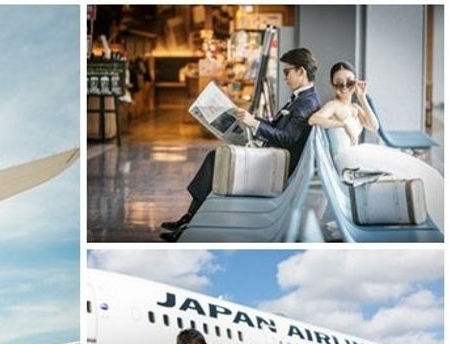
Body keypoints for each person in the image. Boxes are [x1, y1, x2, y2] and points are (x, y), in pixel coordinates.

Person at [161, 48, 322, 241]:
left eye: (287, 72)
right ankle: (189, 219)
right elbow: (277, 127)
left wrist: (254, 124)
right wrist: (250, 118)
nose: (285, 77)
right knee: (216, 158)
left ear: (301, 71)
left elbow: (287, 139)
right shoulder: (302, 99)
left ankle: (189, 221)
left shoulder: (305, 103)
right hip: (274, 157)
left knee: (216, 158)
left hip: (277, 166)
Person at [310, 61, 444, 232]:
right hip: (347, 158)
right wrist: (342, 125)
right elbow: (313, 119)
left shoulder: (355, 107)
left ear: (356, 82)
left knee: (413, 169)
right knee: (399, 168)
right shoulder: (333, 105)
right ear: (332, 84)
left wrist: (362, 97)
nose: (344, 88)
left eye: (349, 83)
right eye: (339, 83)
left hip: (355, 154)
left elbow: (374, 127)